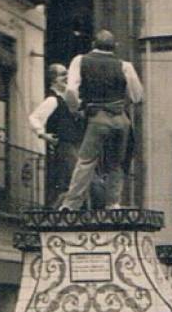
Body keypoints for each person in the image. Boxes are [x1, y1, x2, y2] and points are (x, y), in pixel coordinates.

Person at [60, 30, 143, 210]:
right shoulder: (124, 65)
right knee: (116, 164)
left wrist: (76, 109)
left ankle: (71, 204)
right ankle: (113, 203)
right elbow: (137, 96)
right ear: (114, 48)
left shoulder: (80, 60)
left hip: (97, 118)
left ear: (93, 45)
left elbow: (70, 91)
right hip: (121, 119)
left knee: (86, 161)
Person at [28, 64, 88, 207]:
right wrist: (43, 134)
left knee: (76, 182)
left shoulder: (69, 100)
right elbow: (34, 118)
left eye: (67, 73)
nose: (67, 77)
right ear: (53, 80)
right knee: (72, 181)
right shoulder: (52, 100)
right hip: (65, 146)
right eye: (62, 74)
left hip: (75, 146)